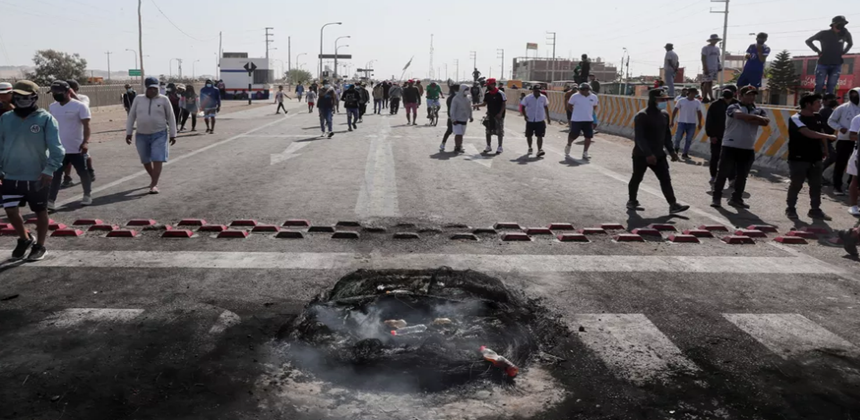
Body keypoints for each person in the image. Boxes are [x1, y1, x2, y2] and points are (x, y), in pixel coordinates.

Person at [0, 80, 65, 261]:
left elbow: (57, 149)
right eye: (18, 96)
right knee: (11, 211)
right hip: (10, 175)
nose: (21, 100)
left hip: (38, 176)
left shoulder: (46, 119)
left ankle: (40, 246)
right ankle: (25, 238)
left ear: (34, 97)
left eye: (26, 97)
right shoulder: (5, 119)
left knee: (40, 212)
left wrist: (49, 169)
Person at [628, 88, 689, 214]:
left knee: (665, 179)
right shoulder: (642, 116)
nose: (664, 102)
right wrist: (648, 154)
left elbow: (666, 135)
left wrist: (671, 151)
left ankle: (673, 204)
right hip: (642, 155)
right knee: (637, 177)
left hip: (659, 154)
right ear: (653, 100)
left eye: (665, 99)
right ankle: (632, 201)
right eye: (662, 99)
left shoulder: (664, 115)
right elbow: (639, 138)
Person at [711, 86, 770, 209]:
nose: (751, 97)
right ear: (740, 96)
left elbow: (765, 121)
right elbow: (739, 116)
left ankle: (736, 198)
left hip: (747, 147)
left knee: (742, 176)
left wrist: (751, 118)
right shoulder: (733, 106)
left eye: (753, 95)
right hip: (730, 146)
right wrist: (755, 118)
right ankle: (716, 197)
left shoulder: (758, 109)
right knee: (723, 173)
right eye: (748, 95)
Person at [785, 93, 835, 220]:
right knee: (796, 184)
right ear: (808, 104)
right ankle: (791, 208)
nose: (820, 105)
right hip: (799, 157)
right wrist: (828, 137)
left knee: (816, 185)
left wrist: (825, 149)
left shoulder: (818, 117)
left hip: (816, 157)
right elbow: (808, 133)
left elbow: (821, 132)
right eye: (817, 102)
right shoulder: (796, 118)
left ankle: (815, 210)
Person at [125, 76, 177, 195]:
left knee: (158, 158)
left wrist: (173, 134)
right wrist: (129, 133)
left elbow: (171, 117)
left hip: (159, 134)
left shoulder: (164, 100)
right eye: (150, 88)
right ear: (146, 88)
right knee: (145, 159)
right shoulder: (138, 99)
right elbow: (131, 116)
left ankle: (154, 185)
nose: (153, 90)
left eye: (155, 88)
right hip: (141, 134)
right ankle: (154, 178)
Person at [46, 80, 92, 211]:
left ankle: (87, 195)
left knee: (83, 172)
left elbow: (87, 126)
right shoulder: (52, 107)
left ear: (68, 92)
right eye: (53, 92)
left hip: (76, 147)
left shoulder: (79, 106)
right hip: (59, 149)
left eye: (58, 92)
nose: (55, 95)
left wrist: (85, 142)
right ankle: (51, 201)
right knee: (56, 175)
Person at [806, 16, 853, 94]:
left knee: (832, 85)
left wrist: (844, 52)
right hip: (823, 63)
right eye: (840, 23)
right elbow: (808, 41)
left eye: (844, 24)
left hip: (837, 63)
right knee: (819, 85)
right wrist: (817, 51)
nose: (842, 25)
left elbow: (850, 44)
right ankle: (816, 99)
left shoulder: (845, 34)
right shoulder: (824, 33)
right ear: (834, 24)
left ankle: (829, 100)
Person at [827, 87, 860, 195]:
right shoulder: (842, 108)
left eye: (856, 95)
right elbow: (831, 121)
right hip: (844, 140)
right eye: (852, 94)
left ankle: (851, 186)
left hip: (857, 141)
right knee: (840, 163)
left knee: (855, 165)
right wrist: (839, 128)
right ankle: (837, 187)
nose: (854, 97)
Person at [705, 87, 738, 188]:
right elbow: (709, 120)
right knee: (715, 156)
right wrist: (711, 135)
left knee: (731, 158)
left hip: (731, 136)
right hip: (717, 135)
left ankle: (732, 178)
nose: (727, 100)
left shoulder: (737, 104)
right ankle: (714, 176)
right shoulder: (715, 105)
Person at [566, 83, 599, 160]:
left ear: (588, 90)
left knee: (588, 137)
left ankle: (585, 152)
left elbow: (594, 107)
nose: (581, 91)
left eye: (583, 89)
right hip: (576, 120)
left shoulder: (594, 97)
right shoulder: (575, 96)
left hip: (588, 120)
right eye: (580, 89)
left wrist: (593, 118)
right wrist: (575, 112)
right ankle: (569, 144)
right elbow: (569, 106)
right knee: (574, 134)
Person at [670, 87, 703, 159]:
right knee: (678, 138)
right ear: (689, 93)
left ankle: (685, 153)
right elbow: (675, 110)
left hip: (692, 124)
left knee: (689, 139)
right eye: (693, 93)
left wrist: (700, 123)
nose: (694, 95)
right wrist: (672, 121)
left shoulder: (697, 102)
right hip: (681, 122)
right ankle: (676, 150)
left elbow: (699, 113)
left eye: (695, 93)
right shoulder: (681, 101)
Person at [476, 78, 506, 154]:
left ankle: (500, 147)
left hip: (498, 116)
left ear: (493, 84)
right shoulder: (487, 94)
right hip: (490, 115)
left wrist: (500, 113)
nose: (487, 86)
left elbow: (504, 104)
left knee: (499, 131)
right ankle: (488, 146)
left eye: (488, 85)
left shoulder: (501, 93)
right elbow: (484, 104)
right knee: (488, 131)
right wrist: (475, 105)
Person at [521, 85, 551, 157]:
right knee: (529, 135)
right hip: (530, 119)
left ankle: (539, 149)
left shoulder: (543, 97)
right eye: (536, 91)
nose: (537, 92)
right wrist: (525, 115)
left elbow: (546, 107)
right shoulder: (528, 98)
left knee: (540, 135)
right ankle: (530, 147)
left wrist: (548, 117)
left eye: (538, 91)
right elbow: (523, 106)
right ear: (533, 90)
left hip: (540, 119)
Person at [448, 84, 474, 153]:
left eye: (468, 89)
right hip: (457, 119)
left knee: (461, 134)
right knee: (458, 134)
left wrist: (471, 116)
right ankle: (457, 146)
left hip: (464, 119)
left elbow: (469, 108)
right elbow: (452, 110)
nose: (467, 91)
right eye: (466, 89)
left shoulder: (468, 98)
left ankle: (460, 146)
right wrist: (453, 119)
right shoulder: (456, 99)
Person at [701, 34, 722, 103]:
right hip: (708, 67)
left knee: (710, 82)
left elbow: (718, 58)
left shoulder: (717, 48)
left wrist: (719, 66)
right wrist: (705, 67)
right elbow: (703, 58)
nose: (715, 41)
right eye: (714, 40)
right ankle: (709, 96)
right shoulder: (705, 48)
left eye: (716, 40)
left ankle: (705, 96)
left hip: (714, 67)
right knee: (707, 82)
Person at [846, 114, 859, 215]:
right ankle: (853, 206)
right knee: (856, 179)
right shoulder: (858, 118)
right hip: (858, 153)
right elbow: (851, 136)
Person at [440, 84, 459, 152]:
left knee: (456, 132)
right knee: (451, 131)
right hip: (453, 117)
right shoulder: (453, 98)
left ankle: (458, 145)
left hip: (455, 117)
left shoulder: (454, 97)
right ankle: (443, 143)